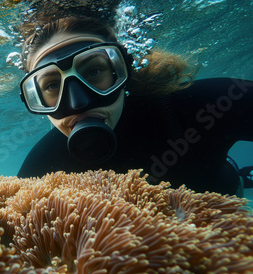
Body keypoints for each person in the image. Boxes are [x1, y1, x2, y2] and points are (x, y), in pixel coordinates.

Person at [16, 16, 253, 196]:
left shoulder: (201, 106)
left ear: (122, 71)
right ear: (36, 100)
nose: (78, 103)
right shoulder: (43, 165)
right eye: (52, 86)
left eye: (94, 71)